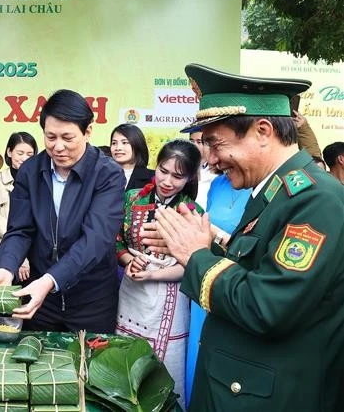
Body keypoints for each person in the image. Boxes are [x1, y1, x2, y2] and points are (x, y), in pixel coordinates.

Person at [143, 64, 344, 411]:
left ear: (263, 130)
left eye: (216, 145)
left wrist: (196, 256)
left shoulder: (317, 199)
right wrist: (204, 242)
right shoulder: (274, 191)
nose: (213, 161)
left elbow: (266, 306)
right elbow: (257, 261)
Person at [0, 89, 125, 333]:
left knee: (89, 365)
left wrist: (51, 280)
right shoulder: (30, 171)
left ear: (88, 131)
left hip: (91, 298)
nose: (58, 147)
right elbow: (20, 230)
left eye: (67, 137)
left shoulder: (107, 174)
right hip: (39, 299)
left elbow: (96, 239)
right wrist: (6, 268)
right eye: (50, 137)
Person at [115, 139, 202, 409]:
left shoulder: (192, 212)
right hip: (131, 291)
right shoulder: (132, 198)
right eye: (163, 171)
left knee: (165, 362)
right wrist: (130, 261)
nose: (167, 181)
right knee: (126, 357)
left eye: (178, 176)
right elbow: (117, 242)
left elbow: (191, 264)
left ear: (189, 178)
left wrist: (153, 275)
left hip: (170, 296)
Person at [184, 170, 252, 407]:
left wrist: (216, 236)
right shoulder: (218, 183)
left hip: (232, 282)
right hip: (205, 276)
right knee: (197, 349)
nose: (212, 159)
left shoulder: (263, 189)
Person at [0, 132, 38, 279]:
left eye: (30, 154)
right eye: (20, 153)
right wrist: (17, 245)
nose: (24, 158)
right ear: (9, 152)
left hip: (31, 258)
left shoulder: (39, 184)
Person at [109, 124, 154, 191]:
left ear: (137, 145)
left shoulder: (153, 178)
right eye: (114, 143)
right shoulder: (102, 175)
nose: (118, 148)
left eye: (124, 143)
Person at [189, 131, 217, 208]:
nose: (194, 145)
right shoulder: (185, 167)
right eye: (191, 141)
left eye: (199, 142)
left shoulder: (217, 170)